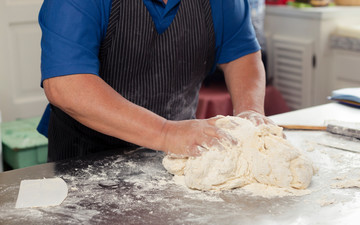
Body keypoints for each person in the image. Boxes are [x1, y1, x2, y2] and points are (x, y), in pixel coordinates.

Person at [38, 0, 273, 162]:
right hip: (85, 157)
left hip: (178, 155)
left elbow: (241, 56)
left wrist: (249, 112)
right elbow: (67, 84)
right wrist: (166, 133)